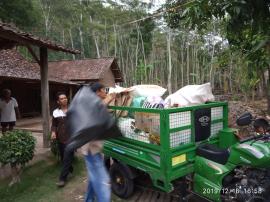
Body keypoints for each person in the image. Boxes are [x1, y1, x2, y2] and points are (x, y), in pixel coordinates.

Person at [82, 82, 115, 202]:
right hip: (91, 148)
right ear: (97, 92)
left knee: (93, 177)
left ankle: (89, 199)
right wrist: (110, 98)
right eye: (103, 90)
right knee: (102, 181)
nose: (105, 92)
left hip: (94, 147)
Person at [51, 92, 74, 187]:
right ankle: (70, 168)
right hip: (61, 138)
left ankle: (62, 179)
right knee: (64, 157)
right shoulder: (55, 112)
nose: (64, 99)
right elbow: (54, 124)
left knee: (67, 157)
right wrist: (53, 132)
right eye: (62, 98)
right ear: (58, 101)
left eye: (65, 98)